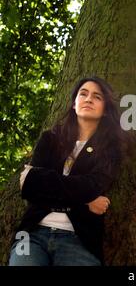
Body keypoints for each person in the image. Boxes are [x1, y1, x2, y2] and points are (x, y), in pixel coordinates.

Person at [8, 76, 128, 266]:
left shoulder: (110, 149)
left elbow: (91, 186)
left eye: (97, 96)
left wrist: (44, 182)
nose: (88, 99)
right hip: (31, 236)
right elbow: (30, 188)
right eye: (83, 94)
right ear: (74, 104)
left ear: (105, 110)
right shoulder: (50, 139)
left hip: (79, 240)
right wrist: (86, 201)